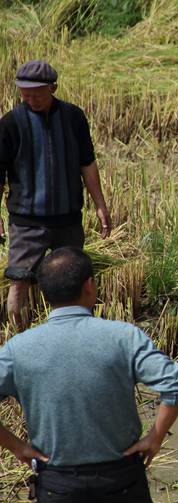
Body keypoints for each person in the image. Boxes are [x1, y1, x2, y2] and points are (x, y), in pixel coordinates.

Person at [0, 247, 178, 503]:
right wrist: (155, 437)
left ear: (44, 294)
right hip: (120, 480)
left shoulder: (18, 349)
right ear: (89, 285)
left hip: (58, 486)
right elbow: (175, 385)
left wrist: (18, 447)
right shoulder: (124, 336)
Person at [0, 59, 112, 329]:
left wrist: (100, 205)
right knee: (20, 279)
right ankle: (20, 338)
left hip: (68, 219)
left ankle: (73, 335)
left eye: (37, 94)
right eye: (25, 95)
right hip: (27, 221)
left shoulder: (74, 118)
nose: (31, 99)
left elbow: (88, 163)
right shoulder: (11, 124)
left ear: (53, 88)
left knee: (73, 281)